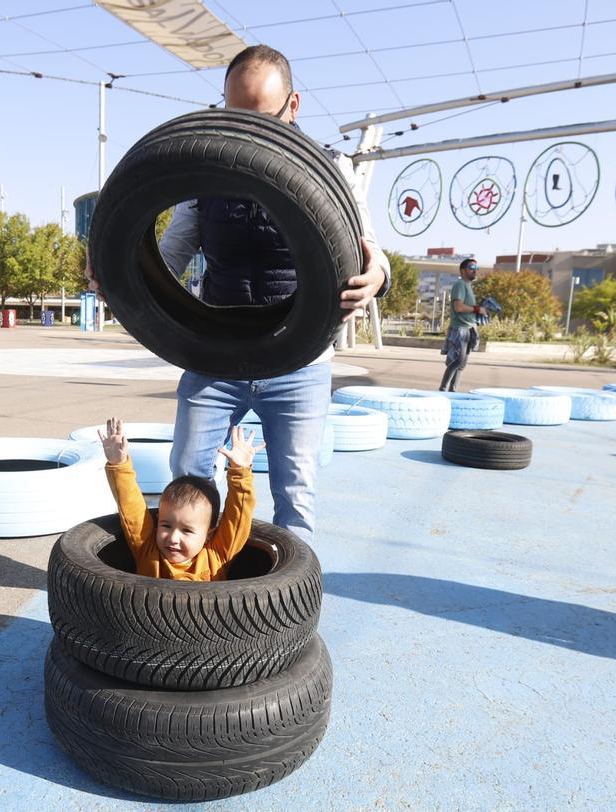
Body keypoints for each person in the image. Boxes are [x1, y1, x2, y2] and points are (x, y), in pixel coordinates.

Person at [88, 44, 390, 543]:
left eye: (261, 117)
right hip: (216, 353)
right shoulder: (205, 170)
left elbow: (369, 249)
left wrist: (377, 274)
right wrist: (118, 276)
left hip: (300, 358)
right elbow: (167, 257)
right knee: (187, 475)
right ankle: (196, 593)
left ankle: (289, 608)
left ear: (292, 107)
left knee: (296, 488)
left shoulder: (331, 166)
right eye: (235, 115)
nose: (245, 134)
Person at [99, 416, 260, 582]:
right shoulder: (147, 549)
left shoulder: (217, 555)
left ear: (208, 535)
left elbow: (238, 517)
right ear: (157, 522)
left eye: (187, 530)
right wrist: (119, 463)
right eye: (166, 525)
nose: (173, 538)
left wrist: (240, 472)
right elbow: (131, 507)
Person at [439, 258, 487, 392]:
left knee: (462, 364)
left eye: (476, 268)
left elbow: (467, 308)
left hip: (469, 328)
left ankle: (452, 391)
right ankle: (443, 389)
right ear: (462, 270)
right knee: (458, 361)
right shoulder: (460, 284)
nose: (475, 271)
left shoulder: (468, 286)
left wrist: (479, 312)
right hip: (460, 329)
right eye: (472, 268)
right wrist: (477, 309)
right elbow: (458, 307)